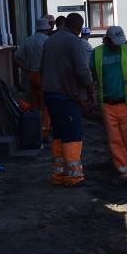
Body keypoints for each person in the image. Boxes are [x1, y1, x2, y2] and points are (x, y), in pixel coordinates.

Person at [40, 12, 96, 187]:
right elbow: (82, 70)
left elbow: (41, 68)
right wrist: (91, 89)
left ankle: (59, 175)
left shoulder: (50, 41)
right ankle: (73, 177)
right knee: (72, 134)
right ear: (79, 28)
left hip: (49, 94)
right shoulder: (75, 42)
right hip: (66, 96)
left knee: (58, 134)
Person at [90, 26, 127, 186]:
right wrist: (92, 98)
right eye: (115, 42)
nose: (118, 45)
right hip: (108, 105)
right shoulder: (97, 53)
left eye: (120, 42)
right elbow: (92, 77)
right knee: (114, 141)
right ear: (107, 40)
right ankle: (125, 173)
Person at [13, 17, 52, 139]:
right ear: (47, 28)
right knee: (45, 105)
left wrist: (25, 69)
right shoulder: (48, 41)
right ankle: (44, 132)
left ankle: (35, 130)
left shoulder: (29, 40)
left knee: (35, 104)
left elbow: (16, 56)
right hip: (44, 75)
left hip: (31, 74)